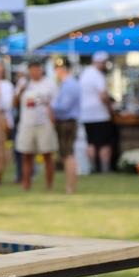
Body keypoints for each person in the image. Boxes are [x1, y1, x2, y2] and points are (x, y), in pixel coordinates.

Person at [15, 58, 58, 191]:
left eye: (36, 68)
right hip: (27, 124)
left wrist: (52, 118)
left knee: (47, 155)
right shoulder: (24, 83)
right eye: (31, 69)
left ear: (41, 69)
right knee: (26, 154)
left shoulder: (49, 84)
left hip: (43, 123)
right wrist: (20, 92)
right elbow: (14, 103)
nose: (34, 71)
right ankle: (26, 183)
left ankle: (49, 185)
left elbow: (56, 104)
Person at [79, 51, 113, 173]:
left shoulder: (85, 73)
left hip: (86, 115)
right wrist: (110, 108)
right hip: (100, 114)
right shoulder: (98, 76)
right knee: (104, 144)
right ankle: (104, 170)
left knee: (91, 143)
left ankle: (92, 168)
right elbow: (103, 96)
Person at [51, 57, 81, 193]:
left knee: (67, 154)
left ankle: (70, 186)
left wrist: (50, 105)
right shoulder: (67, 83)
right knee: (67, 154)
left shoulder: (69, 84)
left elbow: (64, 106)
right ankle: (70, 185)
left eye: (57, 69)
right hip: (66, 121)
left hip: (67, 121)